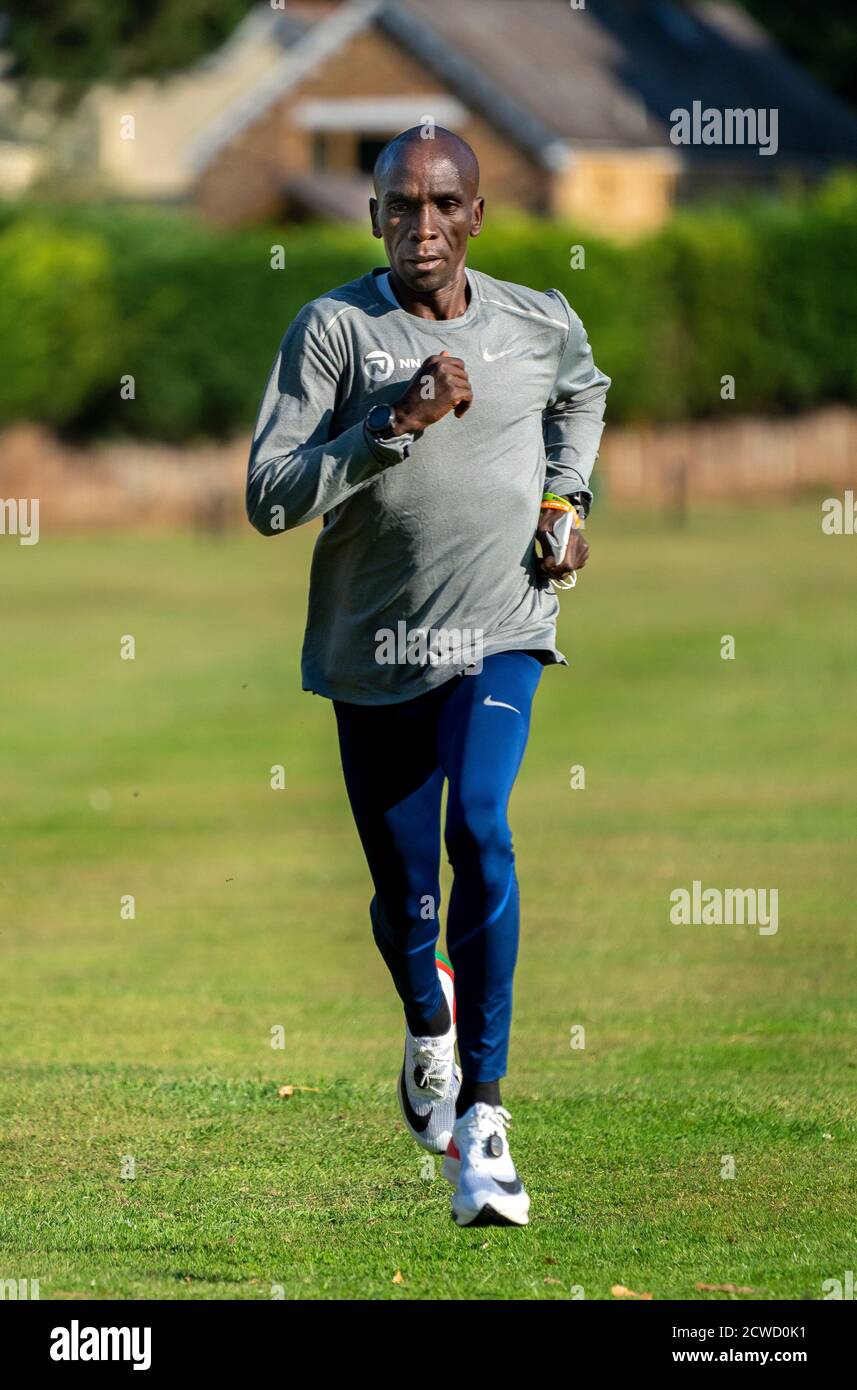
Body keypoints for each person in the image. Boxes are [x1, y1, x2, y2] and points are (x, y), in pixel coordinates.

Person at [247, 126, 610, 1227]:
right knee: (407, 898)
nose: (421, 225)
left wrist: (566, 504)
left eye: (442, 203)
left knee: (483, 826)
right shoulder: (334, 333)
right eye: (399, 206)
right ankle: (426, 1022)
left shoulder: (535, 320)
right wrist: (389, 425)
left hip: (502, 628)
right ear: (372, 219)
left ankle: (487, 1119)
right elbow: (269, 496)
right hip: (374, 655)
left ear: (475, 215)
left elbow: (582, 393)